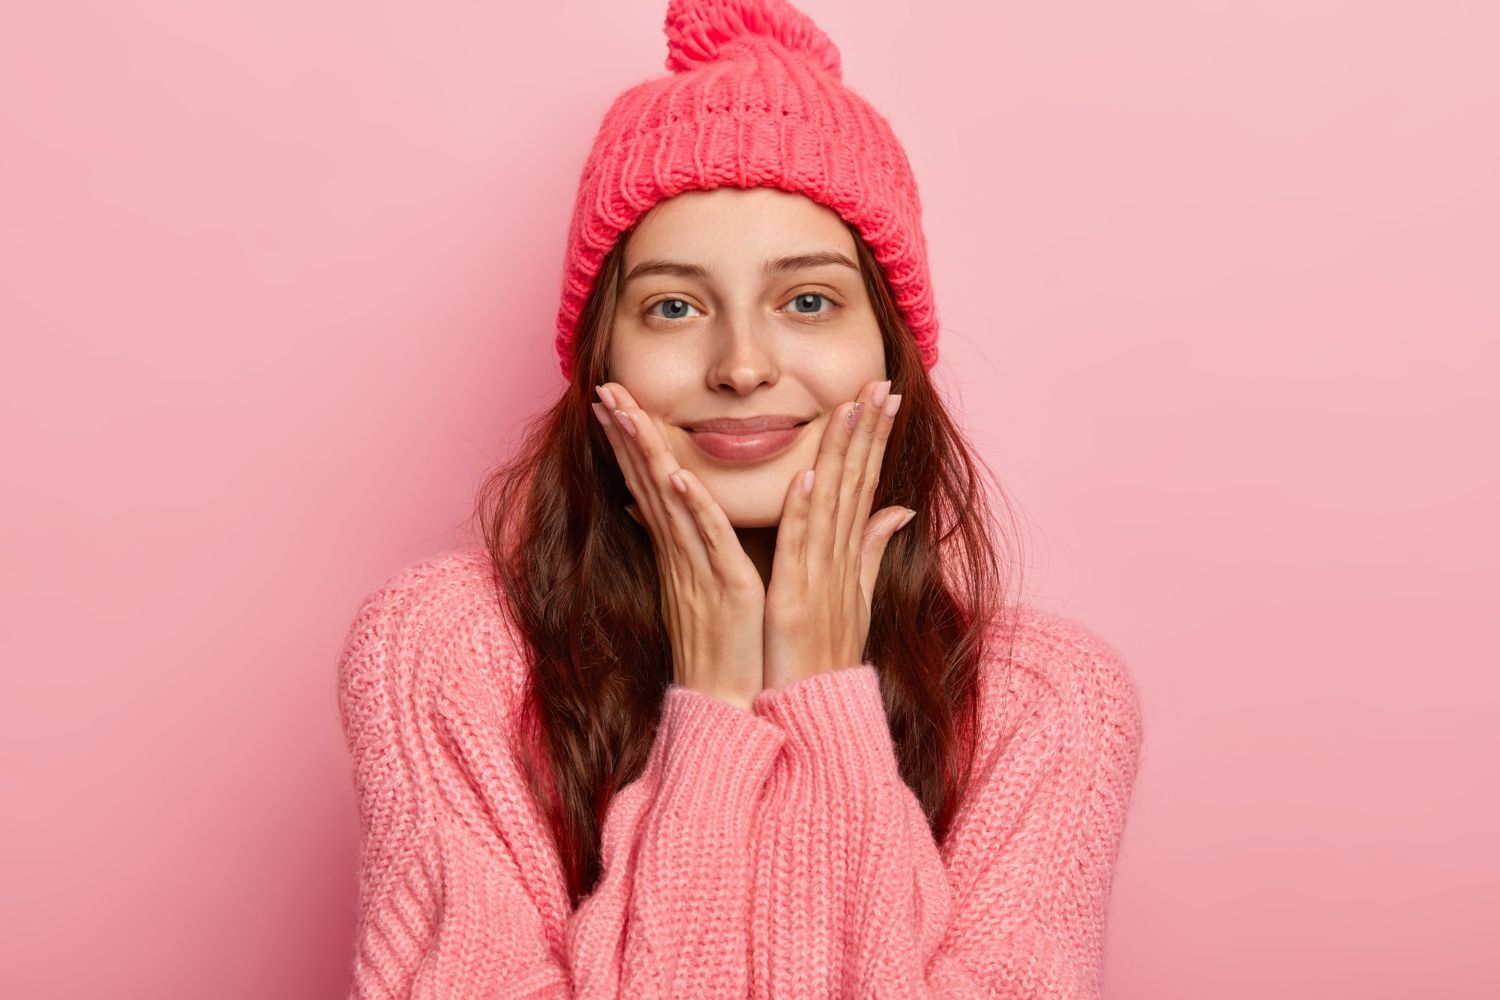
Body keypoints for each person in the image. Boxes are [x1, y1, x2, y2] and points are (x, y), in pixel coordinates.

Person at [335, 1, 1145, 997]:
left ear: (888, 350)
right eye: (673, 305)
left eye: (809, 300)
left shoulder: (1046, 707)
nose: (744, 365)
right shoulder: (447, 654)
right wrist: (714, 704)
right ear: (601, 358)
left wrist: (820, 696)